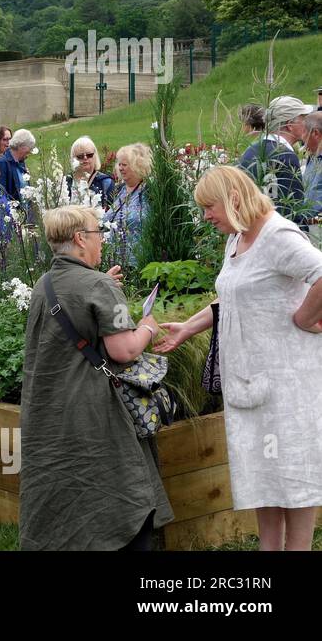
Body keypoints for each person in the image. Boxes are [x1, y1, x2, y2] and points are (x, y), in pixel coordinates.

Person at [155, 166, 322, 550]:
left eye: (208, 207)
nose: (206, 216)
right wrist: (188, 327)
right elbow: (231, 294)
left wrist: (305, 317)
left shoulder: (278, 235)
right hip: (250, 384)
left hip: (287, 386)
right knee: (264, 475)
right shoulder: (238, 238)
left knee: (292, 478)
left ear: (233, 198)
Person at [19, 205, 172, 550]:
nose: (102, 240)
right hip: (96, 413)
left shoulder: (43, 285)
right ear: (79, 239)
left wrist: (103, 284)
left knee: (65, 501)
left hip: (50, 413)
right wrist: (148, 328)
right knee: (122, 496)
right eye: (98, 233)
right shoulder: (98, 284)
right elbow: (124, 350)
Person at [240, 95, 311, 224]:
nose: (307, 124)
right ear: (290, 124)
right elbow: (291, 210)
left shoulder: (252, 150)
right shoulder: (285, 157)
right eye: (303, 119)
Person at [102, 143, 151, 268]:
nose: (120, 168)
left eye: (124, 165)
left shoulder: (149, 191)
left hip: (139, 263)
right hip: (115, 263)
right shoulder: (120, 191)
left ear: (138, 166)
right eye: (119, 164)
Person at [66, 135, 115, 208]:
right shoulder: (66, 182)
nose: (85, 158)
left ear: (95, 156)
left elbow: (112, 213)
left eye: (89, 155)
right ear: (73, 159)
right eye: (80, 156)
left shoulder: (106, 182)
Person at [0, 128, 35, 202]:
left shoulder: (21, 162)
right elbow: (1, 195)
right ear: (22, 146)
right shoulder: (2, 164)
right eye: (29, 149)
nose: (29, 153)